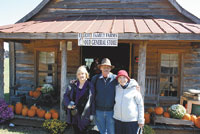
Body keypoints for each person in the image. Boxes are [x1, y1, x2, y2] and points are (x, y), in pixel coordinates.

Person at [63, 66, 95, 134]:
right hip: (74, 114)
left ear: (86, 74)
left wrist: (92, 114)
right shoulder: (72, 85)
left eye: (83, 73)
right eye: (79, 74)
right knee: (76, 131)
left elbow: (92, 101)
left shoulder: (90, 86)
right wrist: (68, 104)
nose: (81, 75)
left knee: (84, 131)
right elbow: (66, 95)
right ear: (77, 75)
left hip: (85, 114)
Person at [91, 58, 117, 134]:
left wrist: (134, 85)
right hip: (99, 111)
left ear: (110, 69)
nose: (106, 68)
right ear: (100, 68)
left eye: (108, 67)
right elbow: (87, 87)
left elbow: (126, 82)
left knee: (111, 132)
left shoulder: (116, 79)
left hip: (111, 111)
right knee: (102, 132)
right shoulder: (95, 79)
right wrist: (75, 82)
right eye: (104, 67)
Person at [113, 70, 144, 134]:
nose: (122, 80)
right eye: (120, 78)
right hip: (118, 120)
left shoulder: (134, 88)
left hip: (131, 121)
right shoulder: (116, 88)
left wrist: (141, 120)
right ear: (117, 79)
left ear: (127, 78)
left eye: (124, 77)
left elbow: (140, 104)